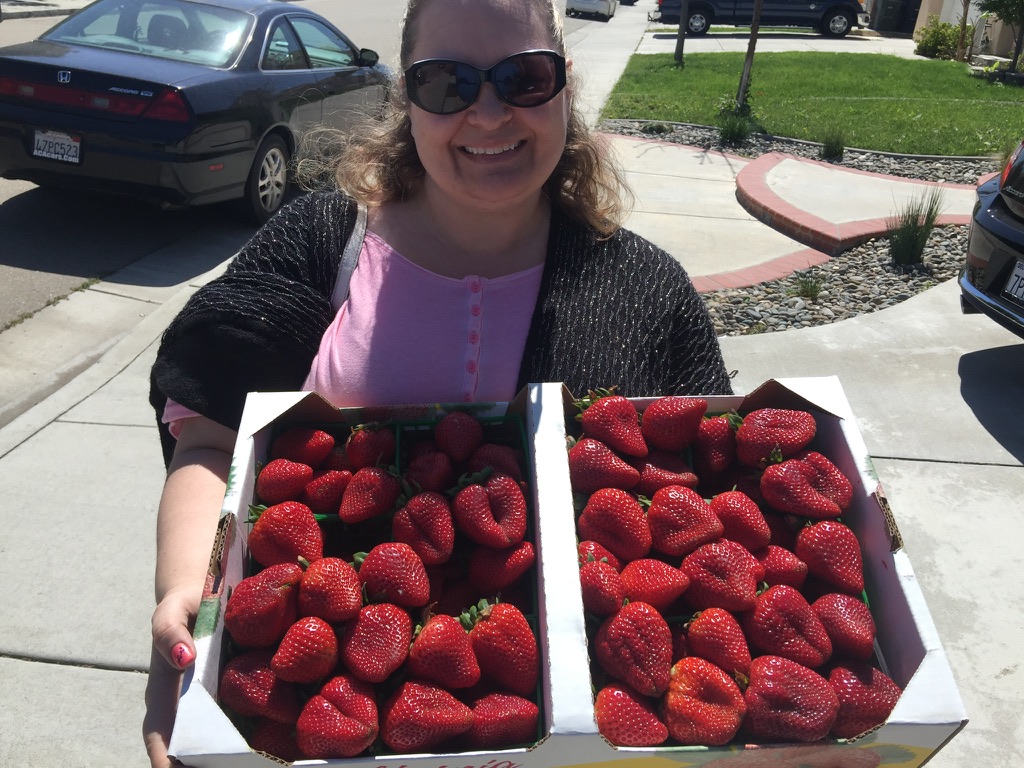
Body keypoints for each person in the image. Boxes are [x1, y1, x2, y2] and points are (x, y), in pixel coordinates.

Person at [143, 0, 733, 764]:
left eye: (523, 77)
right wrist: (184, 595)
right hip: (326, 710)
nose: (488, 114)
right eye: (447, 83)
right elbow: (211, 435)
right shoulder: (323, 241)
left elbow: (719, 487)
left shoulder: (649, 292)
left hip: (585, 725)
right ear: (406, 99)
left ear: (564, 85)